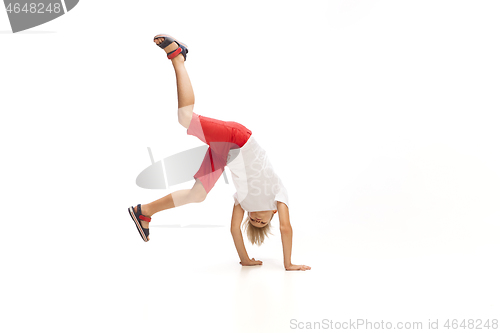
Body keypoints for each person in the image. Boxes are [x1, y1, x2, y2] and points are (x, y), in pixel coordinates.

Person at [128, 34, 311, 271]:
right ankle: (178, 57)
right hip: (240, 140)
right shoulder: (279, 195)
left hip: (226, 155)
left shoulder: (243, 203)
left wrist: (245, 259)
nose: (256, 219)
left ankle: (144, 212)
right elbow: (286, 228)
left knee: (197, 195)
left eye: (252, 221)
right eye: (262, 221)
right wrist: (288, 263)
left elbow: (235, 229)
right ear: (273, 214)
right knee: (185, 118)